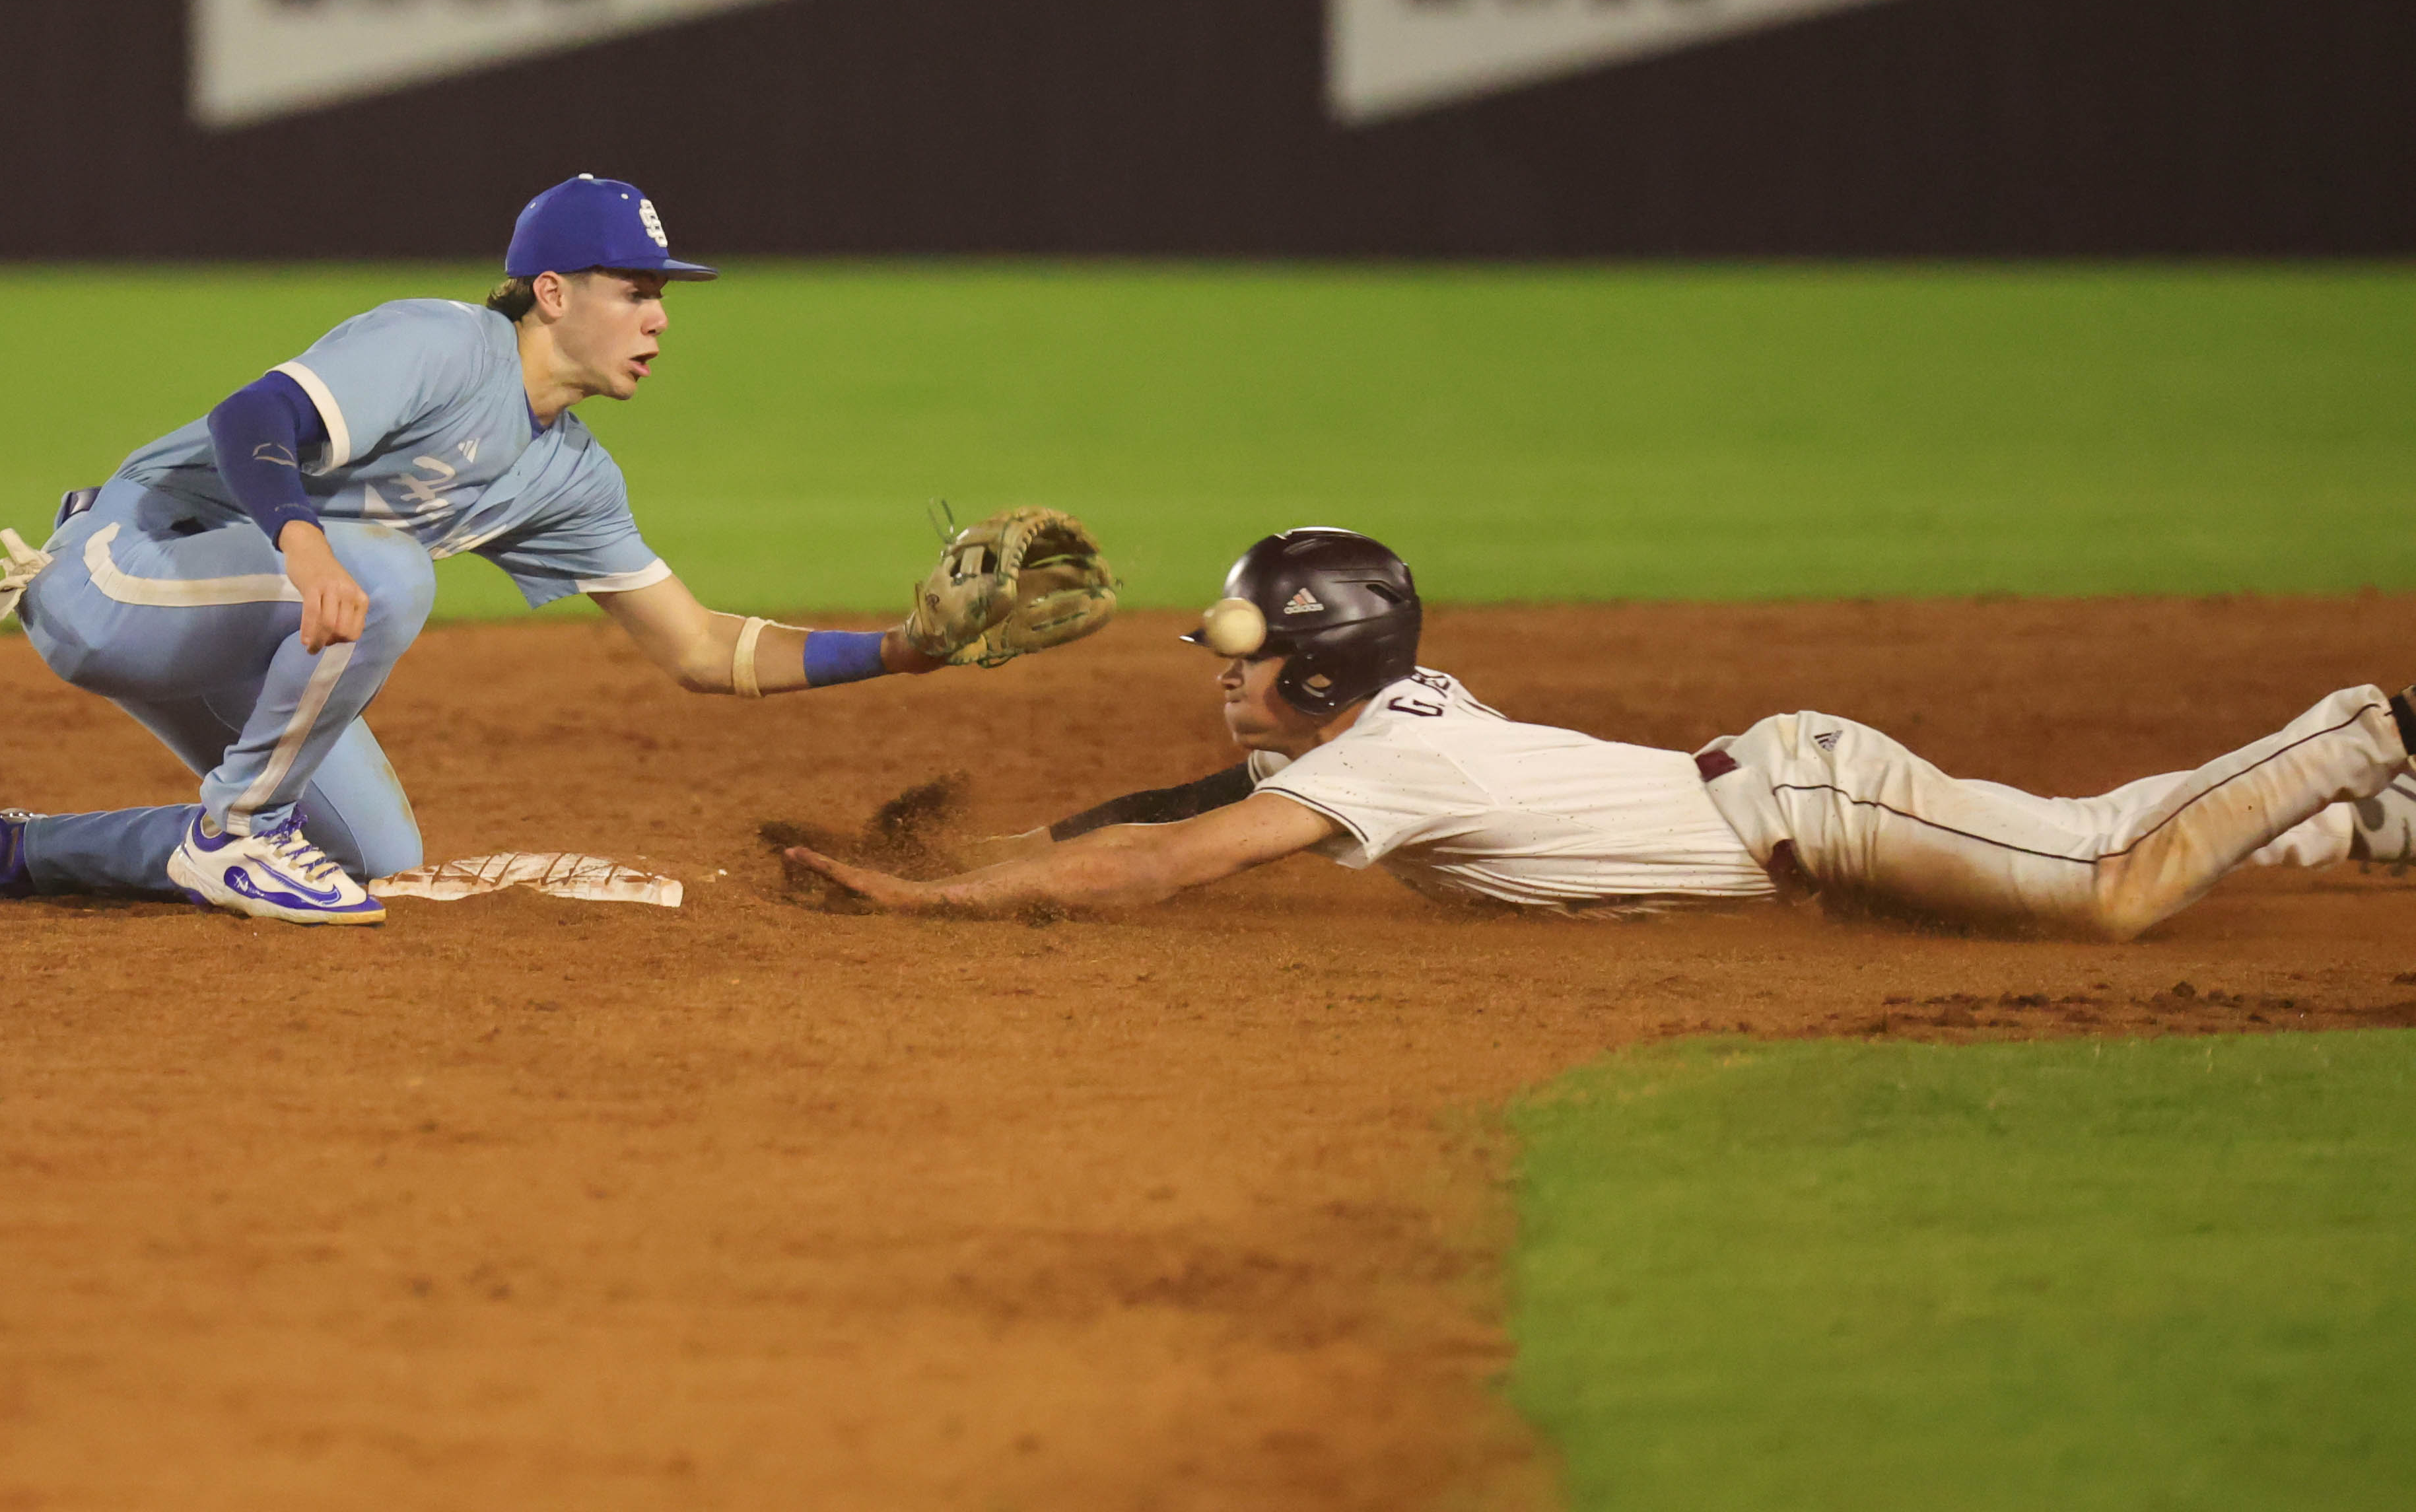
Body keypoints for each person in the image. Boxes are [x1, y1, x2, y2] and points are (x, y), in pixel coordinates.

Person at [0, 176, 1111, 925]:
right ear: (551, 291)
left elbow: (701, 650)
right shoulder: (442, 347)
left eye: (664, 293)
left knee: (375, 854)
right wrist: (303, 544)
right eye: (633, 286)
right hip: (124, 571)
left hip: (255, 613)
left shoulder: (570, 474)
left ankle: (21, 849)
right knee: (387, 571)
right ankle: (234, 838)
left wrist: (904, 652)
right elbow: (250, 420)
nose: (658, 315)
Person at [788, 528, 2416, 939]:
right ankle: (2362, 829)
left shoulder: (1395, 762)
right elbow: (1174, 797)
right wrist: (978, 852)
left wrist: (938, 905)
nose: (1226, 672)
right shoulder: (1381, 725)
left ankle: (2367, 729)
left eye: (1249, 650)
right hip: (1797, 801)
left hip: (1814, 805)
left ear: (1325, 671)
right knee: (2060, 825)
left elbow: (1171, 865)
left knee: (2110, 885)